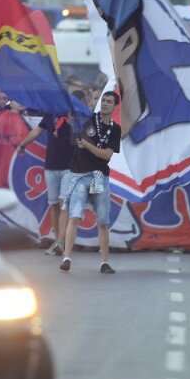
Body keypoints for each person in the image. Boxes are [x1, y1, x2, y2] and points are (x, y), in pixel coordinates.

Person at [59, 91, 122, 275]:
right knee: (75, 217)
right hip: (79, 174)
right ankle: (66, 258)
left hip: (99, 176)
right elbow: (75, 137)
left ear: (115, 106)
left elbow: (106, 155)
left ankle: (104, 262)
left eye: (110, 101)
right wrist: (77, 134)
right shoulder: (86, 118)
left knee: (102, 221)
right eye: (103, 100)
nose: (105, 104)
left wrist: (88, 146)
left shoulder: (115, 129)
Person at [17, 110, 75, 256]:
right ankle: (57, 242)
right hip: (51, 166)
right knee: (54, 204)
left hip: (69, 167)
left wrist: (73, 123)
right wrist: (22, 144)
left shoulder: (74, 115)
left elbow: (82, 136)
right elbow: (36, 131)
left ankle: (62, 241)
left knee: (64, 204)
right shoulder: (50, 114)